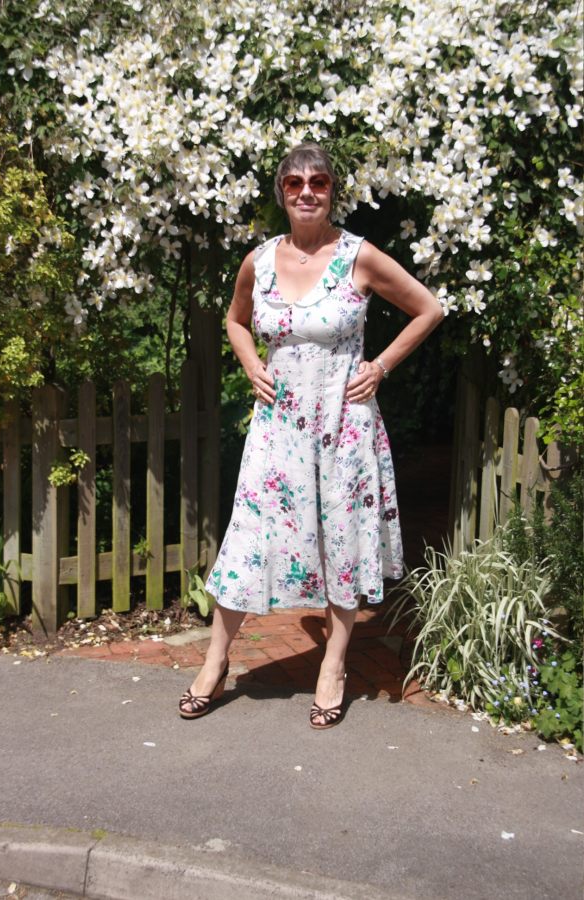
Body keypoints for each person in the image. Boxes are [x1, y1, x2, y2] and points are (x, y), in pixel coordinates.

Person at [179, 143, 444, 728]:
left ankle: (334, 664)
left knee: (342, 540)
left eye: (318, 182)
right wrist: (250, 362)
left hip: (344, 426)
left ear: (331, 191)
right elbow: (235, 318)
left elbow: (428, 309)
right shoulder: (260, 260)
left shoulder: (359, 257)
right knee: (248, 537)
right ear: (281, 193)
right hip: (278, 429)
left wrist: (380, 366)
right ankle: (216, 659)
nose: (306, 192)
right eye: (295, 182)